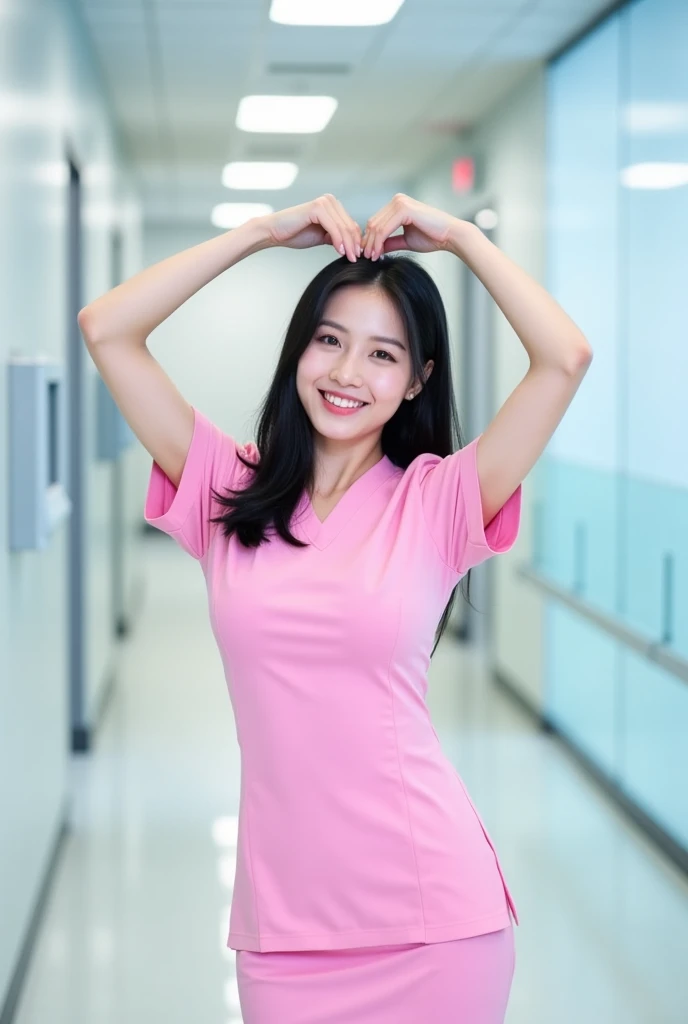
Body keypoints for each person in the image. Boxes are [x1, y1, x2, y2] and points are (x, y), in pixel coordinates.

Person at [78, 193, 592, 1023]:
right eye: (328, 341)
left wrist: (462, 239)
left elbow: (564, 357)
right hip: (284, 929)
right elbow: (106, 328)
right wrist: (256, 235)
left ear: (419, 378)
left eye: (384, 354)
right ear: (297, 352)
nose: (348, 374)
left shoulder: (440, 500)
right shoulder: (228, 488)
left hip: (434, 923)